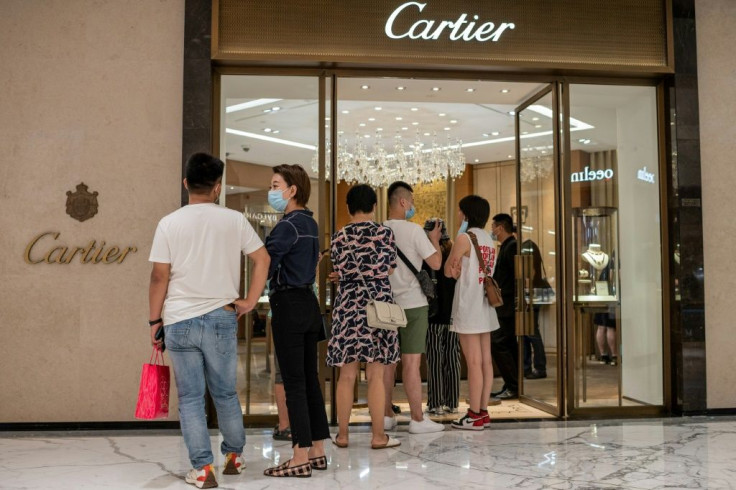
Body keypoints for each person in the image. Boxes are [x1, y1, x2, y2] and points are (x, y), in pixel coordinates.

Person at [148, 152, 270, 488]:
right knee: (225, 393)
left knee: (189, 397)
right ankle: (233, 456)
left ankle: (202, 469)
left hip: (180, 319)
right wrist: (248, 301)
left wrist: (153, 321)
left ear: (186, 183)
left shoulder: (169, 223)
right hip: (221, 316)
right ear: (217, 187)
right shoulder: (233, 220)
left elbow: (159, 277)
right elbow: (262, 259)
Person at [263, 164, 330, 478]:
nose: (272, 191)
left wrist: (249, 298)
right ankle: (317, 450)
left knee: (294, 383)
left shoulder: (287, 225)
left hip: (288, 304)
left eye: (276, 185)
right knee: (309, 380)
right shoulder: (311, 223)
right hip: (308, 303)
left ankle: (299, 456)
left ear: (292, 190)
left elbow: (265, 263)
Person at [328, 184, 401, 449]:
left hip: (348, 305)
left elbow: (339, 268)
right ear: (373, 207)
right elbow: (390, 269)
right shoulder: (385, 234)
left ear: (348, 208)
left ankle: (343, 435)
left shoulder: (339, 237)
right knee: (376, 375)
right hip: (377, 306)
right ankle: (378, 436)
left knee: (346, 375)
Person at [382, 181, 445, 434]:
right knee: (411, 364)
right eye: (412, 201)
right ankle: (417, 419)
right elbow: (437, 263)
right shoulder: (415, 231)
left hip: (385, 305)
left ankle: (386, 415)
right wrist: (434, 240)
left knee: (387, 364)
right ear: (403, 202)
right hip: (414, 305)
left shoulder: (379, 229)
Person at [445, 196, 499, 430]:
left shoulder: (464, 238)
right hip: (485, 306)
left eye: (460, 211)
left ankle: (473, 415)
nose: (458, 214)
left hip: (468, 305)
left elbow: (449, 270)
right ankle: (483, 411)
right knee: (485, 361)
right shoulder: (489, 239)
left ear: (467, 213)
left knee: (474, 362)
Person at [422, 218, 460, 415]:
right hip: (453, 314)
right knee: (452, 358)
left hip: (433, 316)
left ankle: (436, 402)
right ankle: (452, 402)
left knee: (435, 358)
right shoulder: (455, 254)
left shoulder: (427, 256)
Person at [490, 213, 519, 400]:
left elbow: (515, 277)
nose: (492, 230)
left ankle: (514, 385)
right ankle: (511, 384)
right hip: (504, 305)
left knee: (500, 343)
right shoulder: (506, 246)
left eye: (493, 226)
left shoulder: (512, 247)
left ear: (500, 227)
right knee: (506, 344)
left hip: (507, 305)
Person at [520, 239, 548, 379]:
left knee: (531, 333)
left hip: (530, 297)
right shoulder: (532, 248)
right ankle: (532, 367)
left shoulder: (526, 249)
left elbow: (528, 277)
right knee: (529, 332)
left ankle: (537, 367)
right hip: (535, 296)